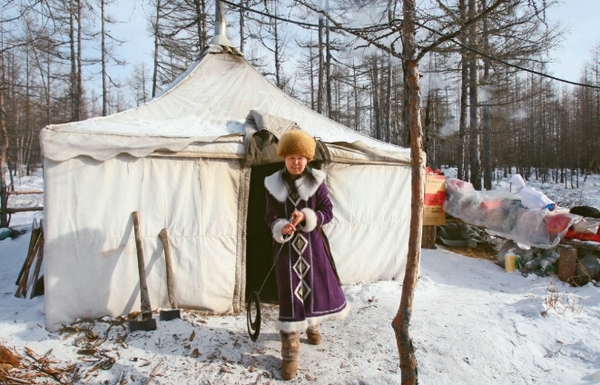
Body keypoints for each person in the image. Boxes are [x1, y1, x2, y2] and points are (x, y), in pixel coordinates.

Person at [264, 129, 350, 380]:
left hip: (313, 247)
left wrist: (306, 217)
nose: (296, 162)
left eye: (301, 157)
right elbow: (268, 216)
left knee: (314, 288)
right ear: (284, 158)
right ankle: (290, 353)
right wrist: (282, 225)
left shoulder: (317, 181)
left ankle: (313, 326)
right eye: (291, 157)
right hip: (286, 249)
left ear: (308, 159)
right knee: (289, 296)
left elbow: (328, 211)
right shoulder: (272, 183)